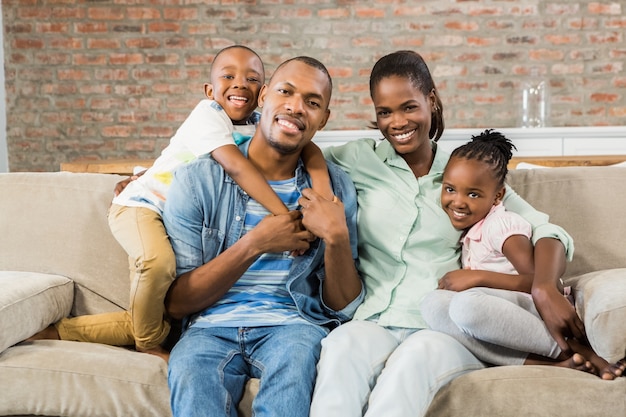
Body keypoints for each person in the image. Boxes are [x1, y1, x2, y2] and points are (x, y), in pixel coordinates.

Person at [308, 50, 578, 417]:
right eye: (384, 112)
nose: (397, 122)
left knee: (408, 370)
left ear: (431, 100)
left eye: (408, 107)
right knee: (340, 351)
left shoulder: (466, 175)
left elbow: (548, 231)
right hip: (373, 318)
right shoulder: (358, 159)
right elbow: (303, 150)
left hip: (441, 327)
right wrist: (322, 185)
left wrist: (543, 285)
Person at [27, 45, 333, 362]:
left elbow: (307, 149)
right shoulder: (207, 114)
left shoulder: (258, 122)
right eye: (229, 76)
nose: (240, 83)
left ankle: (61, 332)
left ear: (263, 92)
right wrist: (286, 219)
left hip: (167, 207)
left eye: (252, 78)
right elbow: (237, 167)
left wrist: (322, 190)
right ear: (209, 89)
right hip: (141, 206)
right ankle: (146, 344)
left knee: (162, 319)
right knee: (157, 265)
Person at [163, 56, 363, 417]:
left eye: (312, 102)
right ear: (264, 96)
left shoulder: (335, 188)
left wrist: (336, 237)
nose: (295, 107)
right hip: (209, 329)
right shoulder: (198, 181)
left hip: (294, 328)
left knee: (296, 362)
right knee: (190, 371)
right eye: (285, 92)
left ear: (324, 118)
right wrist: (255, 243)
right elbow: (177, 303)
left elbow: (341, 306)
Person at [421, 129, 626, 380]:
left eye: (473, 194)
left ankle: (576, 350)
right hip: (500, 318)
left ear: (497, 196)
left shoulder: (501, 226)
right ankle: (552, 365)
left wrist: (475, 278)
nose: (458, 202)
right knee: (432, 306)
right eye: (450, 189)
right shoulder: (472, 230)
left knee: (466, 306)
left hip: (532, 311)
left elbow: (536, 280)